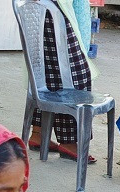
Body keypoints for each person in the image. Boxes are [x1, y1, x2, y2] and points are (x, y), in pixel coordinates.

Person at [27, 0, 96, 163]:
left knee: (45, 71)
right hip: (55, 8)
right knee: (73, 76)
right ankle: (68, 141)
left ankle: (38, 133)